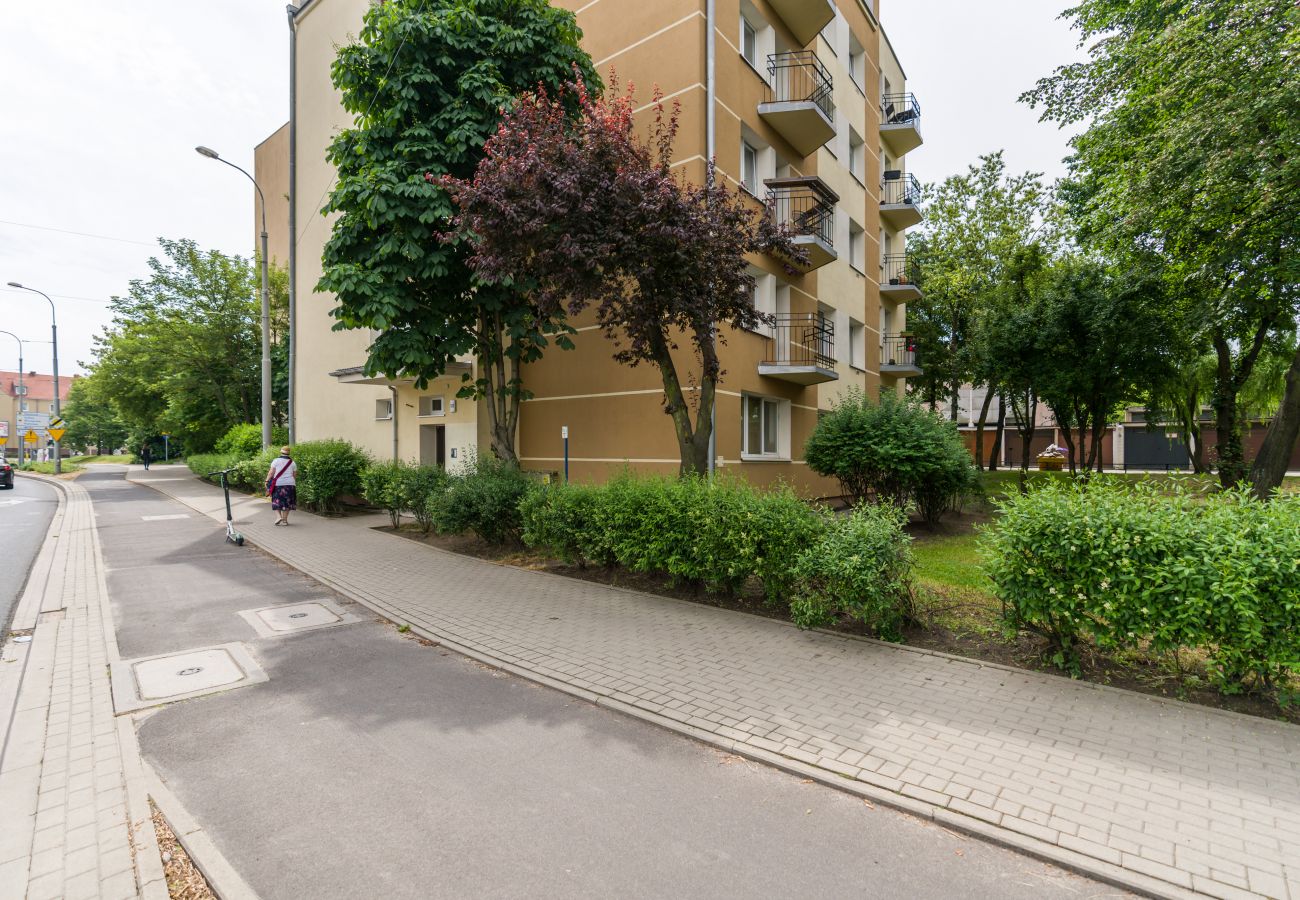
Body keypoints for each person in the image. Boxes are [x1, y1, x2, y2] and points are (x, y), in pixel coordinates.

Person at [265, 445, 297, 526]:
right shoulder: (293, 462)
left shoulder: (276, 461)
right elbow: (294, 475)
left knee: (276, 500)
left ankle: (278, 517)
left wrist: (267, 480)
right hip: (290, 484)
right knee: (287, 502)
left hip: (278, 484)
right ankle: (285, 521)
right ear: (289, 453)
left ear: (281, 452)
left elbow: (271, 472)